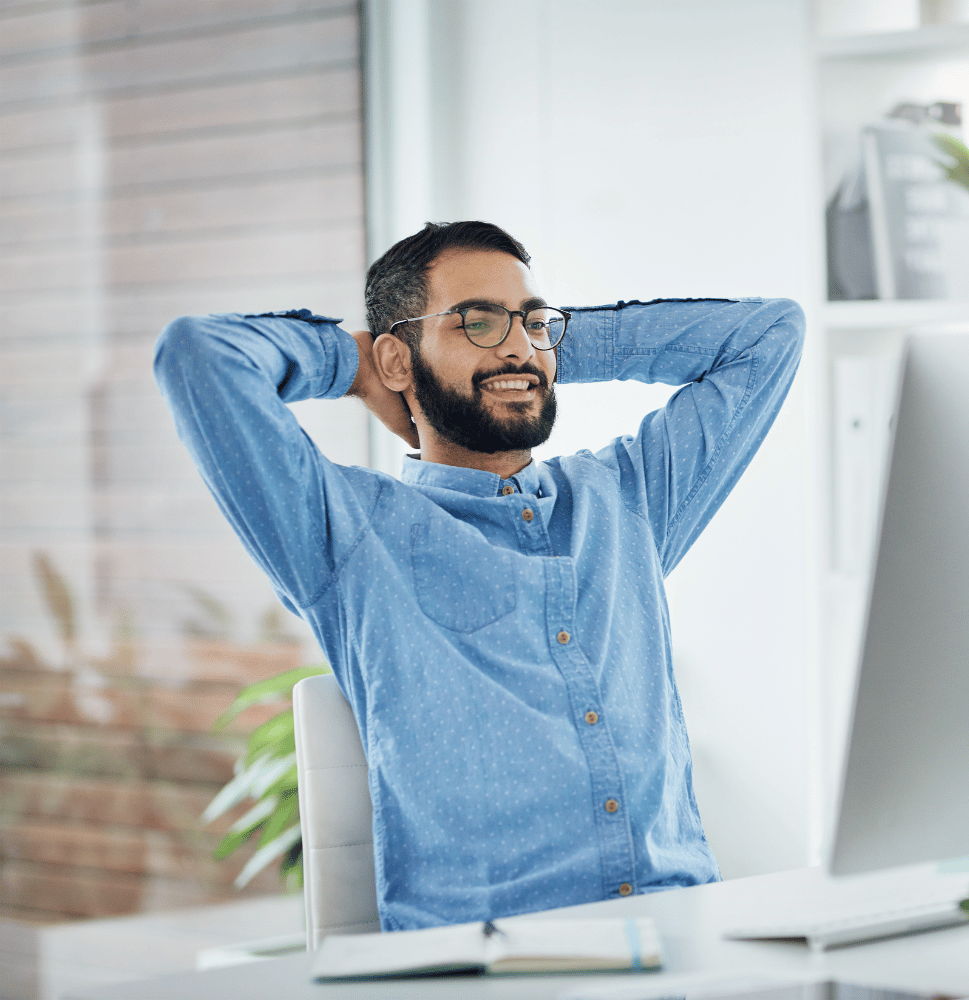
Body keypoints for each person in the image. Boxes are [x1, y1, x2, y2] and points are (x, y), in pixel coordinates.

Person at [154, 221, 805, 932]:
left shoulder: (628, 499)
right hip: (494, 967)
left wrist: (534, 345)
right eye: (478, 321)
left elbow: (770, 335)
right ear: (399, 359)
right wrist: (352, 360)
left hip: (686, 945)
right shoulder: (347, 535)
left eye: (530, 322)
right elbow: (199, 357)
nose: (520, 346)